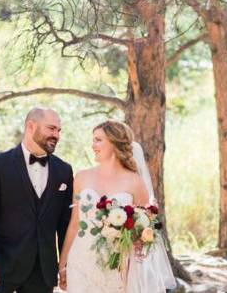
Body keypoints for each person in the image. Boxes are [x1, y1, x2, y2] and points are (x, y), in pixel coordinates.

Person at [58, 120, 176, 292]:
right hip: (80, 261)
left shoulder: (135, 182)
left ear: (114, 142)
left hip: (116, 265)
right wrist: (63, 263)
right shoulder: (82, 177)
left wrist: (136, 243)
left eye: (98, 140)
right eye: (93, 140)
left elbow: (145, 230)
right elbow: (74, 224)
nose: (93, 145)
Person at [0, 107, 73, 293]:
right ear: (30, 126)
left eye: (59, 130)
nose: (56, 135)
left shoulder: (64, 170)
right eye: (51, 129)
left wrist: (66, 265)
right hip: (0, 266)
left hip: (42, 272)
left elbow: (65, 224)